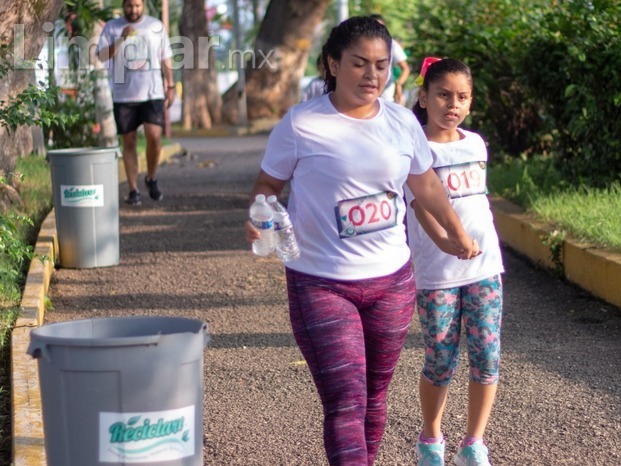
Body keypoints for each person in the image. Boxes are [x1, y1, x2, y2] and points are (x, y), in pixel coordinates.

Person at [244, 17, 479, 465]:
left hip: (392, 281)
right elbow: (266, 187)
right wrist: (259, 218)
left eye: (381, 65)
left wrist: (458, 232)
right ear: (333, 64)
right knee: (346, 400)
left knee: (374, 396)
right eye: (359, 64)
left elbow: (425, 184)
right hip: (321, 283)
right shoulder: (300, 124)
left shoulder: (401, 122)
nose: (372, 75)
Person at [406, 58, 505, 466]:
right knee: (440, 358)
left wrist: (468, 243)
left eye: (462, 97)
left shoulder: (476, 142)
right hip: (437, 272)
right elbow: (419, 205)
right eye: (444, 94)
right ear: (424, 96)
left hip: (485, 267)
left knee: (487, 355)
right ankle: (431, 440)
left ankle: (474, 444)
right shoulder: (416, 147)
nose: (453, 103)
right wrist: (445, 242)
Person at [97, 0, 175, 205]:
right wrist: (121, 39)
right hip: (124, 95)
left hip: (152, 93)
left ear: (143, 6)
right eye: (130, 6)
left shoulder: (155, 26)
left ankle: (151, 177)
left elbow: (166, 58)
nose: (134, 10)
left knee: (154, 137)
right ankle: (133, 189)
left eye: (138, 5)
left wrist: (171, 85)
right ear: (124, 6)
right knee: (129, 141)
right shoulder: (112, 27)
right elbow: (102, 56)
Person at [370, 14, 410, 105]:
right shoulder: (361, 46)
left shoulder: (392, 45)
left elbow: (405, 69)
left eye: (381, 66)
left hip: (386, 97)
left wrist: (398, 84)